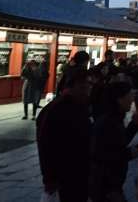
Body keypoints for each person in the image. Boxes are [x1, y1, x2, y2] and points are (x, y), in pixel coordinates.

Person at [37, 69, 92, 202]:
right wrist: (49, 178)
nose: (87, 91)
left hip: (80, 172)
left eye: (88, 86)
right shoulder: (55, 110)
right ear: (72, 86)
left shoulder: (80, 107)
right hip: (65, 174)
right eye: (83, 86)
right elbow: (45, 145)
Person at [89, 81, 138, 202]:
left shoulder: (115, 118)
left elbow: (119, 142)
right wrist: (130, 154)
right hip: (106, 186)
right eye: (129, 95)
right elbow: (103, 155)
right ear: (119, 99)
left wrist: (134, 125)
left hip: (111, 185)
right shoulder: (108, 122)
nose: (132, 99)